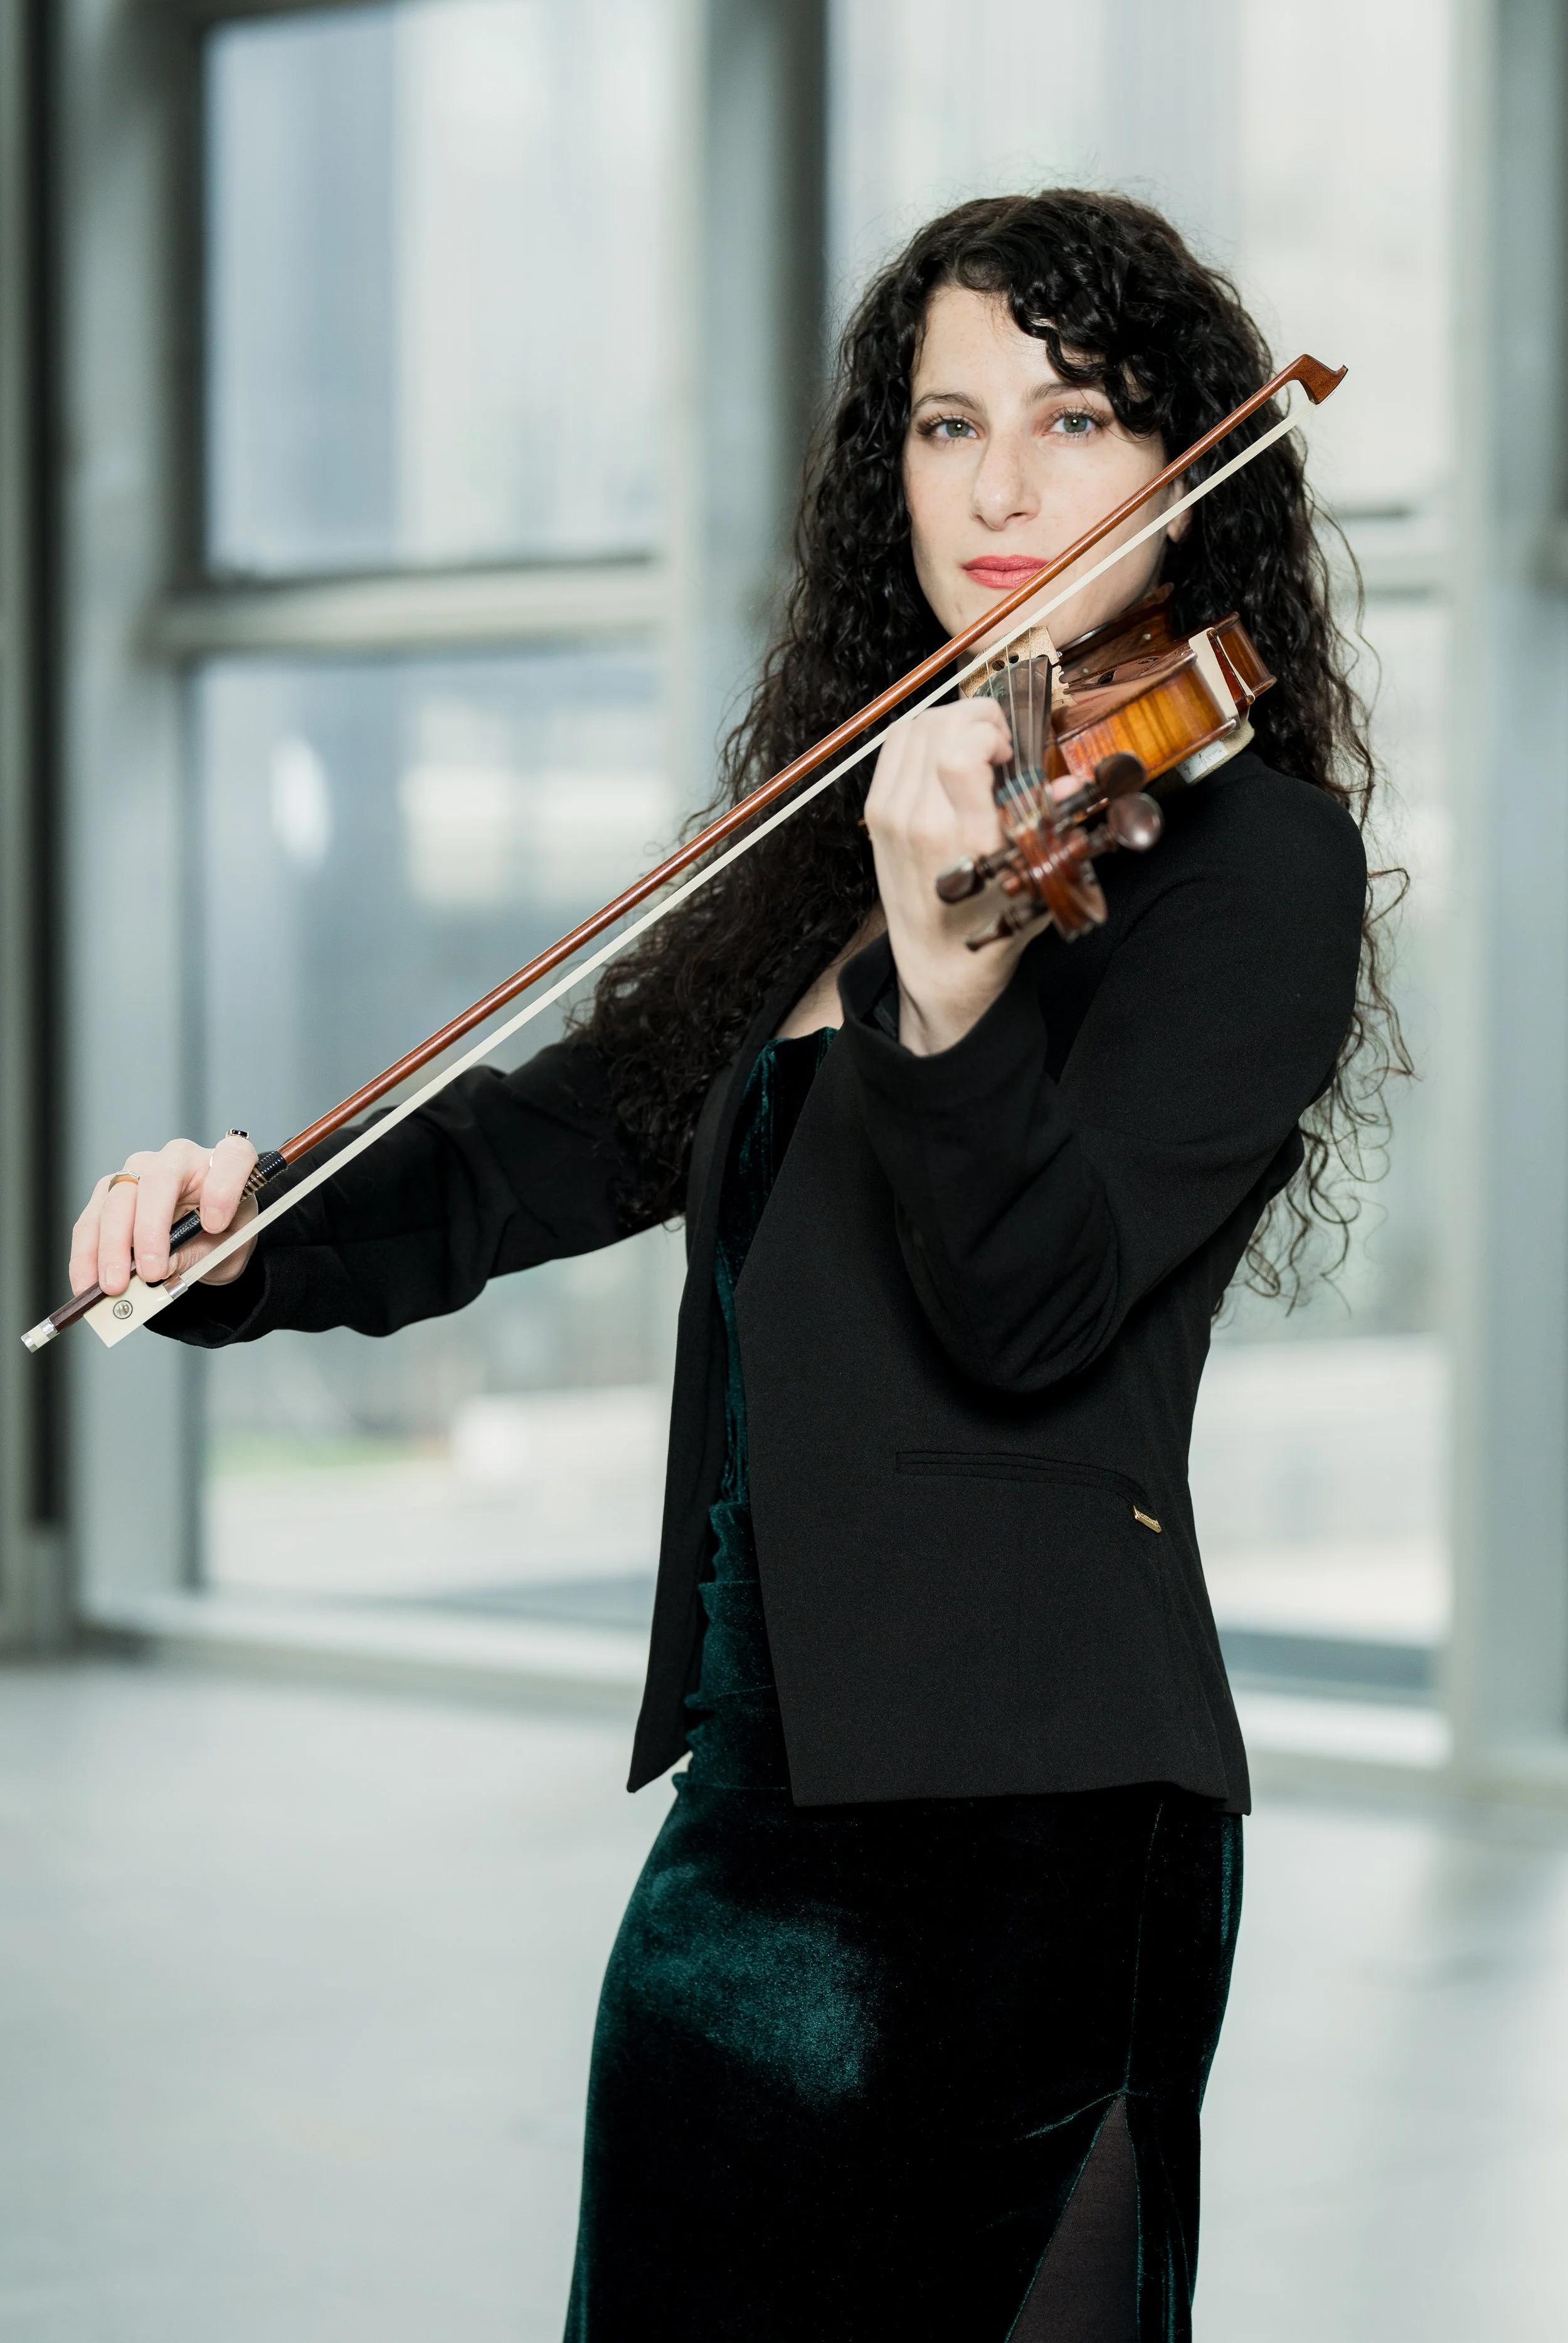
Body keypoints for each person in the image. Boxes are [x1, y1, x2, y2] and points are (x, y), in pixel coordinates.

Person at [70, 191, 1397, 2340]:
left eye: (1071, 419)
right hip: (761, 1813)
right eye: (947, 423)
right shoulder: (852, 842)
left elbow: (1034, 1300)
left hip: (1036, 1812)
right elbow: (542, 1143)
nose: (998, 484)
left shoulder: (1251, 866)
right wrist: (245, 1230)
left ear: (1184, 464)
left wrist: (954, 999)